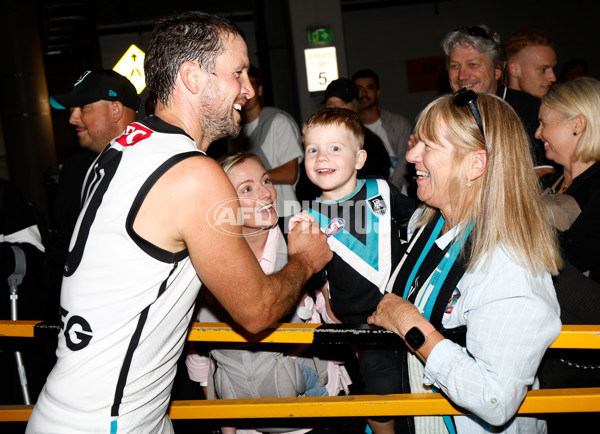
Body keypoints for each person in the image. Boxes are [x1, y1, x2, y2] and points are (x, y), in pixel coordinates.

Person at [26, 11, 331, 434]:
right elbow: (257, 311)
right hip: (111, 420)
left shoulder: (121, 149)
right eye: (238, 73)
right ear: (192, 77)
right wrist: (304, 260)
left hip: (89, 407)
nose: (248, 89)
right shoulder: (192, 172)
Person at [366, 89, 562, 433]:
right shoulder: (427, 223)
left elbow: (495, 399)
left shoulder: (510, 263)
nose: (411, 154)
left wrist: (414, 329)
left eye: (428, 146)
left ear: (477, 163)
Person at [186, 152, 351, 434]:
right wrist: (225, 425)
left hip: (313, 409)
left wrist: (321, 277)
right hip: (245, 419)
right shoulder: (202, 260)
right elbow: (201, 355)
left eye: (265, 180)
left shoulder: (300, 240)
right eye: (247, 188)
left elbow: (339, 324)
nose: (266, 193)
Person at [291, 107, 415, 434]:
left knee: (419, 390)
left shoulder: (384, 191)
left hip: (413, 307)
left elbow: (420, 228)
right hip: (365, 325)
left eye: (334, 148)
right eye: (312, 149)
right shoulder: (307, 218)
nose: (321, 157)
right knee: (380, 390)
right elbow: (313, 279)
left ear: (359, 159)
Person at [534, 77, 600, 433]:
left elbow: (575, 253)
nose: (537, 132)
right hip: (552, 351)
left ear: (578, 124)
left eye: (545, 122)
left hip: (588, 355)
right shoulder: (552, 183)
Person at [49, 69, 140, 287]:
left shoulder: (156, 163)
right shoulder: (75, 170)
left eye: (83, 107)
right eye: (72, 109)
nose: (72, 118)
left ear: (115, 109)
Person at [441, 24, 551, 170]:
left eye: (473, 64)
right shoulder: (444, 118)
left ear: (497, 71)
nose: (462, 76)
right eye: (455, 66)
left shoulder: (531, 111)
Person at [228, 65, 304, 217]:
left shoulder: (279, 122)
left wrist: (248, 181)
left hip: (285, 211)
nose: (246, 92)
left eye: (251, 84)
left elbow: (290, 174)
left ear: (260, 89)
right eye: (240, 85)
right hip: (254, 215)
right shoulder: (234, 130)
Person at [352, 68, 413, 192]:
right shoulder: (350, 130)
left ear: (378, 92)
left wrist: (391, 190)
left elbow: (405, 159)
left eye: (369, 88)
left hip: (399, 195)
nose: (363, 93)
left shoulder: (398, 124)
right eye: (359, 89)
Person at [504, 29, 557, 98]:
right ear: (514, 69)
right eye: (543, 69)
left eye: (553, 68)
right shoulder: (494, 107)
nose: (553, 78)